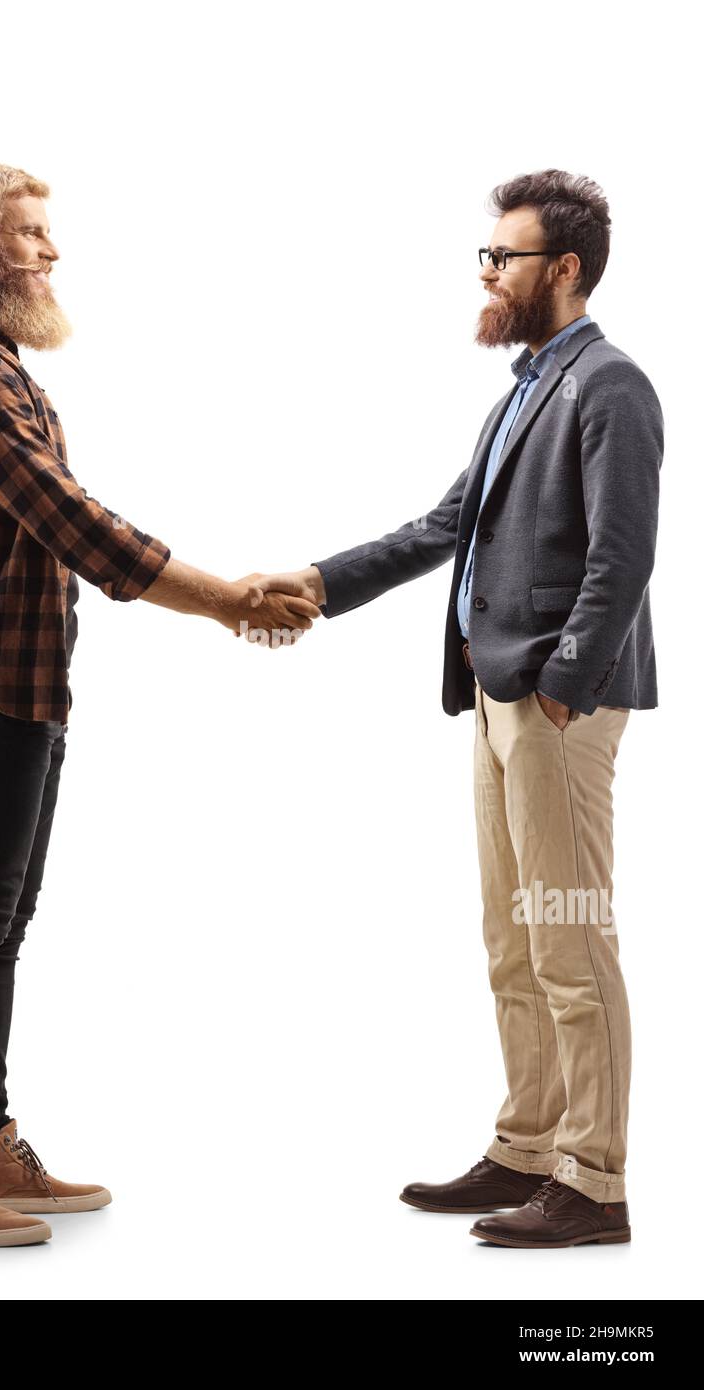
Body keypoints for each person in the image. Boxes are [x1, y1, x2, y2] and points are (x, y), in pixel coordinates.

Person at [0, 163, 320, 1249]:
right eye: (30, 234)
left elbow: (52, 524)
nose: (51, 250)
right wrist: (221, 598)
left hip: (23, 682)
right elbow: (64, 516)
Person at [246, 169, 663, 1249]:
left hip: (553, 706)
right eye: (484, 255)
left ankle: (595, 1181)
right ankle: (527, 1146)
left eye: (501, 256)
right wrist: (314, 582)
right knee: (510, 938)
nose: (485, 272)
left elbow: (621, 559)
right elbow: (444, 524)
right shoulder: (523, 388)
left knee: (568, 940)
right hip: (493, 700)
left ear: (560, 269)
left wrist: (563, 689)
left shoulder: (609, 386)